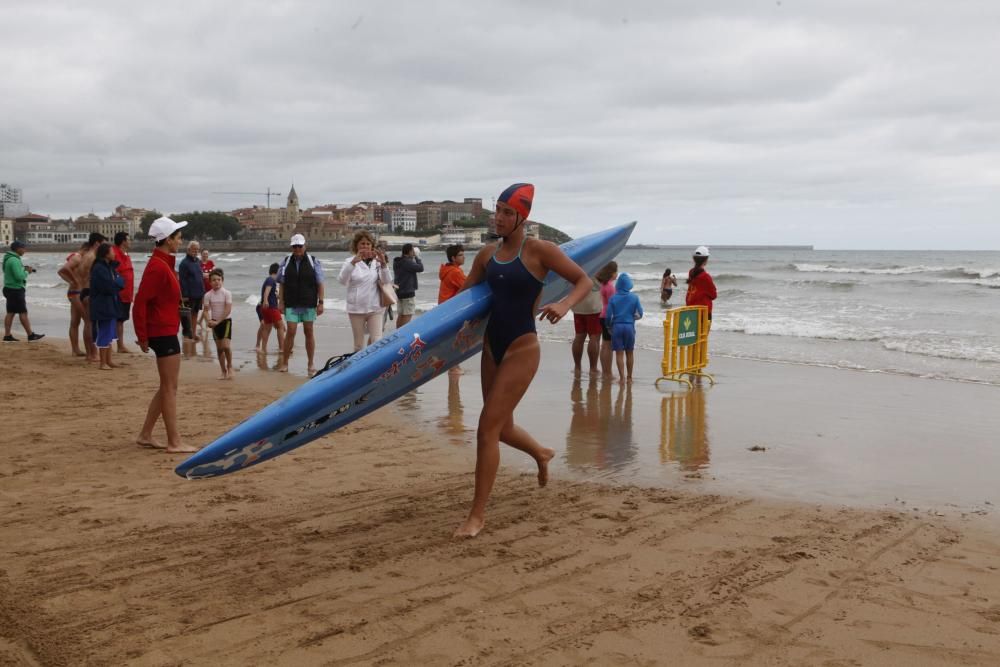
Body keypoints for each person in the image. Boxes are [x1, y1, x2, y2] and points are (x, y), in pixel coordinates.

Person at [454, 183, 592, 538]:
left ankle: (477, 516)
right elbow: (462, 299)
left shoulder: (539, 250)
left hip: (522, 347)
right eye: (496, 210)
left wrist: (564, 304)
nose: (498, 218)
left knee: (487, 428)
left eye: (506, 212)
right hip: (491, 346)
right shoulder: (486, 255)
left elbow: (583, 280)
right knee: (501, 428)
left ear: (521, 217)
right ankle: (542, 454)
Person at [132, 217, 196, 453]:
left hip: (165, 328)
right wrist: (142, 336)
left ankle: (146, 434)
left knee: (168, 386)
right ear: (167, 240)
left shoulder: (164, 264)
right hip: (162, 331)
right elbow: (140, 302)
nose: (180, 241)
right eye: (178, 238)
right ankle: (174, 441)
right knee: (170, 388)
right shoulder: (158, 266)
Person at [277, 234, 325, 375]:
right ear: (292, 247)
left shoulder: (313, 261)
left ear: (305, 246)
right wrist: (281, 302)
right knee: (290, 331)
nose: (297, 248)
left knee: (308, 331)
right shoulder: (285, 262)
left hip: (308, 302)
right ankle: (285, 363)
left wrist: (320, 302)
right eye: (295, 246)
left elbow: (320, 283)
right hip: (291, 302)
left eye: (300, 246)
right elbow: (281, 284)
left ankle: (310, 364)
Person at [338, 230, 391, 353]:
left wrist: (383, 265)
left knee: (377, 342)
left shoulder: (377, 262)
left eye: (368, 243)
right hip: (356, 308)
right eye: (362, 243)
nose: (365, 246)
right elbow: (342, 280)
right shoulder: (349, 261)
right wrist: (353, 263)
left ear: (372, 246)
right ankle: (358, 369)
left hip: (375, 307)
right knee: (358, 345)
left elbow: (387, 280)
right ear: (356, 245)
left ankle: (376, 369)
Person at [58, 232, 105, 361]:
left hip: (77, 291)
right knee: (89, 322)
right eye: (103, 244)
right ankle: (92, 353)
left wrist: (73, 281)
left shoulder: (83, 256)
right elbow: (64, 270)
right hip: (81, 291)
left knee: (77, 322)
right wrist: (74, 281)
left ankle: (82, 351)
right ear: (96, 243)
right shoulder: (91, 257)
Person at [89, 242, 124, 370]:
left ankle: (109, 360)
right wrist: (116, 281)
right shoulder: (99, 268)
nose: (114, 253)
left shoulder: (109, 267)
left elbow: (120, 280)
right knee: (104, 332)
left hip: (111, 304)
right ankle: (102, 362)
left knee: (110, 333)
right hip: (102, 305)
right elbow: (108, 287)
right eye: (112, 251)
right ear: (106, 254)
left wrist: (117, 281)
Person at [606, 272, 644, 384]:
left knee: (619, 354)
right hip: (629, 327)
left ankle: (622, 378)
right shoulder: (634, 297)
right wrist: (632, 318)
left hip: (617, 327)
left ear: (618, 285)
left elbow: (608, 316)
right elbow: (640, 314)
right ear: (629, 285)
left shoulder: (613, 298)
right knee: (630, 353)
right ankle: (629, 377)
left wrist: (609, 326)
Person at [3, 241, 44, 342]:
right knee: (23, 312)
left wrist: (22, 269)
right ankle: (30, 335)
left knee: (11, 312)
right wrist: (26, 271)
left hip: (9, 288)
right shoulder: (14, 260)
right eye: (23, 248)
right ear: (18, 249)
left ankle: (7, 335)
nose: (25, 250)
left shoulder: (8, 258)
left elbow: (11, 272)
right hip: (16, 289)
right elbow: (19, 277)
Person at [204, 268, 234, 380]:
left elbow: (228, 309)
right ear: (210, 282)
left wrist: (218, 321)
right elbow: (206, 311)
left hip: (225, 321)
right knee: (219, 348)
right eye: (214, 280)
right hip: (214, 322)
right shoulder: (208, 295)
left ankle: (230, 366)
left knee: (226, 346)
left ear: (222, 281)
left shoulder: (227, 293)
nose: (216, 282)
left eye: (219, 279)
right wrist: (208, 321)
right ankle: (223, 371)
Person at [570, 274, 603, 375]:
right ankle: (593, 368)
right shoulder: (598, 263)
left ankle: (577, 367)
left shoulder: (577, 261)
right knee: (594, 338)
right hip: (594, 306)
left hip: (577, 304)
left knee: (579, 337)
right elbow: (603, 279)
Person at [178, 240, 205, 350]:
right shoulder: (184, 263)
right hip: (189, 294)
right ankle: (187, 335)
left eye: (197, 250)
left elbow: (200, 277)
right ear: (188, 250)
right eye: (193, 249)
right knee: (187, 316)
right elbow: (182, 280)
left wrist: (203, 292)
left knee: (195, 314)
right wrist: (184, 295)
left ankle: (193, 334)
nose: (195, 251)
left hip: (198, 293)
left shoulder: (198, 261)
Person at [111, 232, 134, 353]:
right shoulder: (114, 253)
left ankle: (120, 344)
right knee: (118, 319)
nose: (130, 241)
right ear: (123, 241)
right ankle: (120, 346)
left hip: (127, 293)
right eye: (129, 239)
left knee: (122, 319)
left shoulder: (126, 254)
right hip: (118, 293)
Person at [594, 261, 618, 378]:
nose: (617, 274)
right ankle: (607, 372)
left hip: (603, 315)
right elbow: (614, 304)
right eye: (616, 271)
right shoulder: (610, 287)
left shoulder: (604, 285)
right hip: (609, 317)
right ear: (611, 273)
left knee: (605, 344)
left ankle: (605, 371)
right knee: (608, 346)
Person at [255, 263, 285, 355]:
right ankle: (281, 348)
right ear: (277, 271)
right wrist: (265, 301)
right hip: (270, 307)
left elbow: (273, 294)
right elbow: (266, 291)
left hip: (267, 307)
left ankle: (263, 349)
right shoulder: (270, 280)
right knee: (281, 327)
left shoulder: (272, 282)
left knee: (267, 328)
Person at [392, 243, 424, 328]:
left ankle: (397, 333)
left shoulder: (397, 261)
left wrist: (412, 257)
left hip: (399, 291)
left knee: (401, 314)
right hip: (408, 291)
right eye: (413, 251)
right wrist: (417, 257)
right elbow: (420, 268)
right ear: (409, 251)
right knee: (407, 315)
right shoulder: (408, 262)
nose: (414, 252)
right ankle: (403, 335)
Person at [686, 246, 717, 329]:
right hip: (703, 312)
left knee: (693, 337)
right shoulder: (705, 277)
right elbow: (714, 295)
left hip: (691, 310)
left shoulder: (691, 272)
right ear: (706, 260)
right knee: (702, 338)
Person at [198, 249, 215, 339]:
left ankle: (200, 322)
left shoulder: (211, 262)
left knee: (207, 307)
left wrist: (206, 274)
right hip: (202, 288)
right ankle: (207, 325)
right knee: (205, 307)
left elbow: (214, 273)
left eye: (207, 254)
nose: (205, 255)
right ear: (201, 254)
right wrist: (207, 274)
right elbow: (199, 274)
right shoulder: (199, 263)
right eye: (204, 254)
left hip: (210, 288)